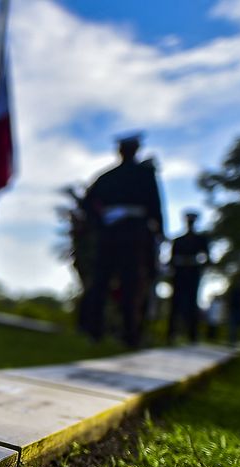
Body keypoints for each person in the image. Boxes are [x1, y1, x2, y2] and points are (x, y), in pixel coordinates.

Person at [83, 133, 165, 348]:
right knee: (126, 283)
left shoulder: (107, 177)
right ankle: (125, 333)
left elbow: (88, 206)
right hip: (131, 235)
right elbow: (156, 206)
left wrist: (100, 223)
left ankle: (102, 331)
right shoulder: (142, 175)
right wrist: (159, 231)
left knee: (109, 281)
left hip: (114, 233)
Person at [167, 210, 210, 344]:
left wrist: (197, 264)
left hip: (193, 272)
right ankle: (171, 333)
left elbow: (208, 258)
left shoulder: (200, 239)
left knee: (192, 303)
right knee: (175, 302)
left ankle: (193, 334)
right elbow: (171, 259)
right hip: (179, 273)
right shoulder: (178, 240)